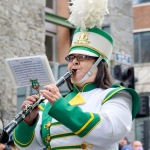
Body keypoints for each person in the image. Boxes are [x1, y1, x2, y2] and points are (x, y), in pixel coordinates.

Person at [12, 0, 140, 150]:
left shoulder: (116, 96)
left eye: (83, 57)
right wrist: (28, 122)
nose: (74, 62)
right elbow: (28, 147)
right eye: (71, 58)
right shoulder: (51, 103)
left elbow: (110, 131)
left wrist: (61, 107)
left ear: (99, 64)